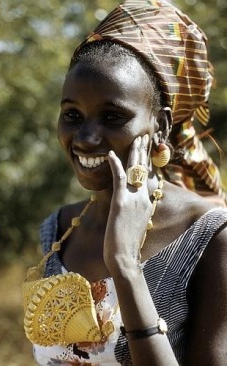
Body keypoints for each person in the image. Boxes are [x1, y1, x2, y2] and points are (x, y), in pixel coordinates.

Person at [23, 1, 227, 365]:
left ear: (160, 125)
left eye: (113, 116)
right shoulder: (56, 231)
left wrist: (125, 264)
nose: (85, 137)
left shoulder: (209, 237)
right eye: (72, 115)